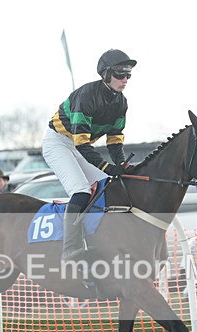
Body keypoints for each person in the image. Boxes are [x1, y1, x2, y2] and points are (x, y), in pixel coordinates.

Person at [42, 48, 136, 261]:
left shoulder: (121, 102)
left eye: (128, 74)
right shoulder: (86, 96)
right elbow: (82, 145)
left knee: (108, 186)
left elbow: (114, 139)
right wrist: (106, 166)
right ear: (105, 74)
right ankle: (69, 249)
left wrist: (120, 163)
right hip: (58, 143)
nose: (125, 79)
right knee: (81, 191)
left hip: (79, 144)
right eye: (120, 74)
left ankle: (98, 239)